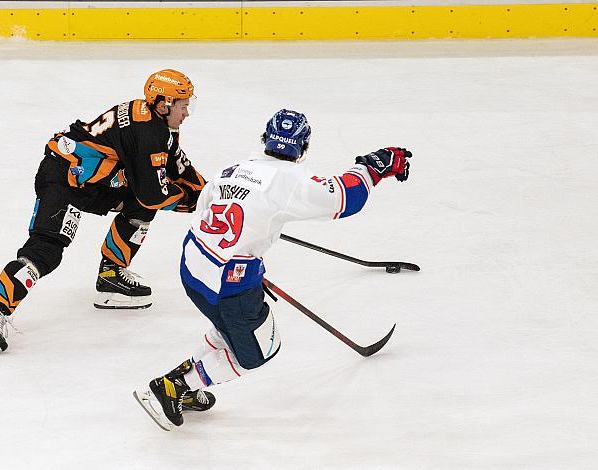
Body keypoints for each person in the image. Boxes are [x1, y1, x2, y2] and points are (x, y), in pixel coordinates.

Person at [134, 109, 412, 430]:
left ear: (265, 139)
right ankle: (173, 388)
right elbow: (345, 198)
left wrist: (248, 258)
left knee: (227, 331)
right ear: (303, 147)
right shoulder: (289, 179)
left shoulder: (232, 170)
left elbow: (206, 214)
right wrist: (373, 166)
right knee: (257, 351)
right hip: (231, 284)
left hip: (193, 269)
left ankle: (185, 385)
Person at [0, 69, 207, 358]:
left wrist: (210, 192)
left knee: (139, 205)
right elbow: (154, 193)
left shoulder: (151, 119)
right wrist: (196, 203)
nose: (187, 112)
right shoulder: (151, 132)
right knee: (46, 250)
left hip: (88, 180)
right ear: (164, 104)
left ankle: (111, 275)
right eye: (183, 105)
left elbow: (177, 164)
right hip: (64, 180)